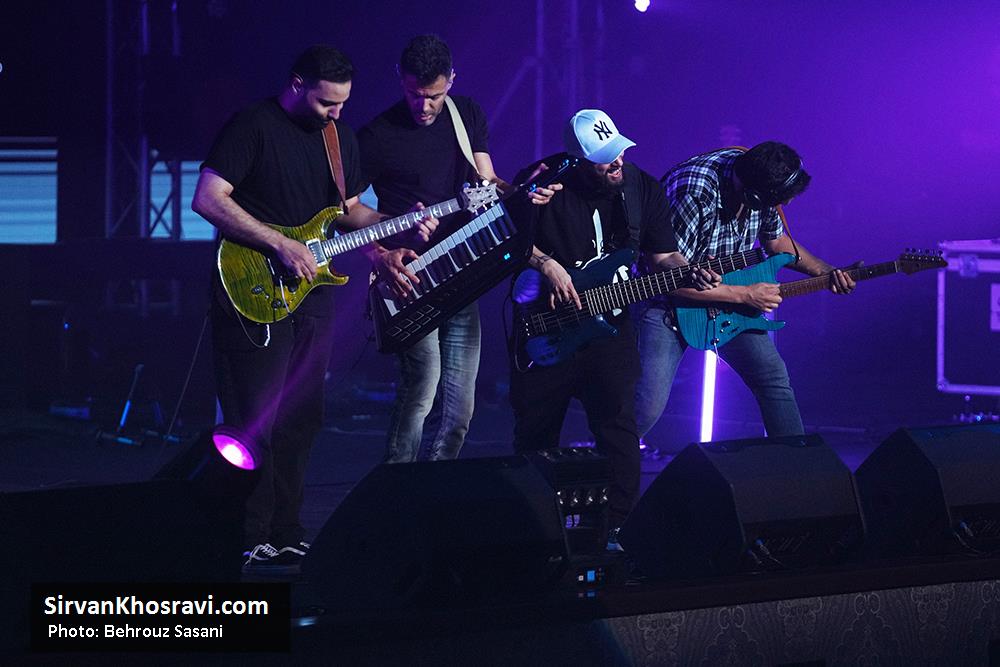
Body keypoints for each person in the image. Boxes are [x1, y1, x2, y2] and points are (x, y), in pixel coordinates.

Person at [192, 45, 434, 573]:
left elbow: (350, 211)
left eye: (343, 103)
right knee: (254, 416)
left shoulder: (337, 138)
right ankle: (246, 534)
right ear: (297, 84)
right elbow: (208, 198)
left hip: (312, 292)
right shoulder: (252, 126)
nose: (337, 113)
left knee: (302, 416)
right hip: (252, 284)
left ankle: (285, 532)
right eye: (327, 103)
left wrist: (394, 233)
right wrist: (280, 244)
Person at [359, 34, 557, 464]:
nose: (424, 105)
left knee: (460, 409)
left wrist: (523, 192)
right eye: (414, 94)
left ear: (452, 80)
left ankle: (437, 488)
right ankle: (396, 488)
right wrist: (382, 250)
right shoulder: (377, 135)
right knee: (420, 392)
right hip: (411, 276)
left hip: (462, 270)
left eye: (434, 95)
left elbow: (488, 182)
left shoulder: (465, 114)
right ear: (400, 79)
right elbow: (346, 211)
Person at [509, 109, 695, 537]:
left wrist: (689, 271)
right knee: (536, 433)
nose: (616, 163)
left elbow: (664, 255)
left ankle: (617, 531)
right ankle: (534, 531)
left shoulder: (640, 188)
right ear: (576, 160)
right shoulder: (542, 183)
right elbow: (505, 240)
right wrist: (546, 264)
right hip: (546, 326)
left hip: (610, 328)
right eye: (603, 159)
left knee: (618, 428)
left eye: (618, 152)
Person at [634, 141, 856, 442]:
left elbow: (775, 242)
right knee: (646, 407)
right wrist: (745, 295)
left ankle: (796, 464)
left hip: (728, 301)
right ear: (754, 195)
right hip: (666, 304)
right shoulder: (694, 191)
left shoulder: (761, 183)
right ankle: (601, 465)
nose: (787, 204)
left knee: (773, 379)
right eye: (780, 200)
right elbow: (667, 276)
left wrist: (827, 272)